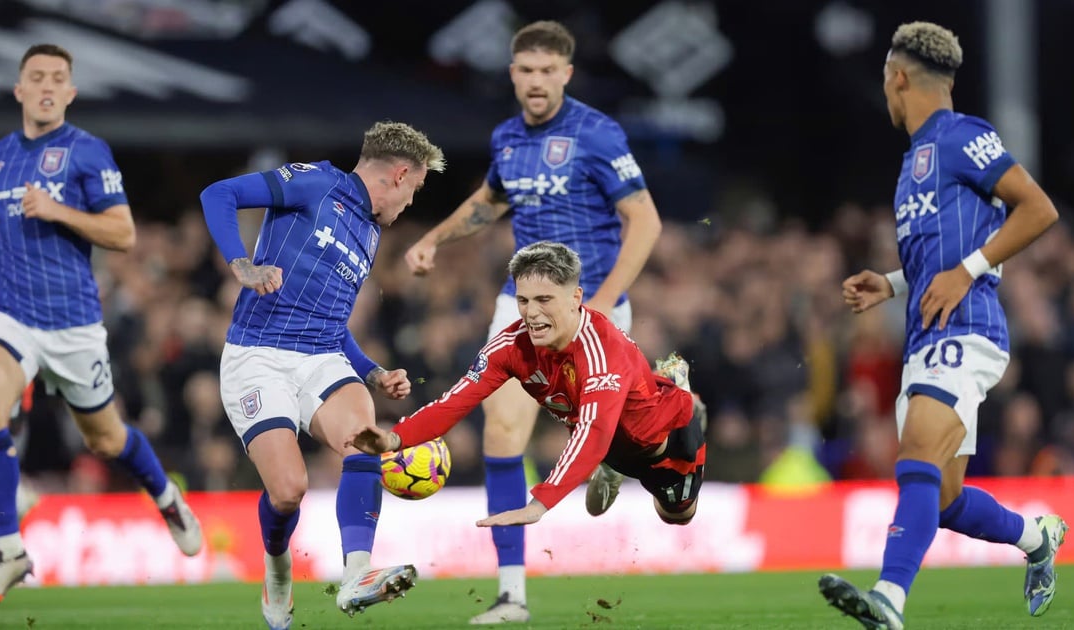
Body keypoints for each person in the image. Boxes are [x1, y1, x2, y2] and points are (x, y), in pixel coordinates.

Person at [403, 19, 663, 625]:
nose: (537, 81)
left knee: (624, 434)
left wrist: (602, 302)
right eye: (526, 70)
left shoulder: (597, 133)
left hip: (590, 300)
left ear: (567, 74)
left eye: (549, 71)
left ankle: (616, 453)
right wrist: (434, 239)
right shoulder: (506, 139)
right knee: (501, 432)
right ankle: (512, 594)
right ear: (512, 74)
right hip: (521, 304)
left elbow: (644, 221)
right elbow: (490, 202)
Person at [817, 22, 1067, 629]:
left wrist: (969, 269)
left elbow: (1039, 209)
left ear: (898, 78)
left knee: (917, 453)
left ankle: (889, 600)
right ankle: (1036, 537)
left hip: (969, 328)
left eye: (884, 81)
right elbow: (941, 258)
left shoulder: (961, 135)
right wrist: (891, 282)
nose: (884, 94)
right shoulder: (913, 164)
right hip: (928, 333)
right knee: (945, 497)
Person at [199, 121, 444, 629]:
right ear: (399, 174)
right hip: (257, 355)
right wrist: (240, 264)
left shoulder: (370, 232)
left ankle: (357, 575)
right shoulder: (316, 182)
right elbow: (217, 192)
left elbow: (331, 324)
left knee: (365, 438)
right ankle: (276, 566)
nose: (410, 204)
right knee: (289, 490)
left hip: (320, 357)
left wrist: (373, 372)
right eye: (415, 190)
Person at [0, 43, 204, 601]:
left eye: (57, 78)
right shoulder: (1, 156)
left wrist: (58, 210)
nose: (45, 85)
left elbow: (124, 234)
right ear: (18, 90)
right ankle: (9, 548)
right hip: (11, 320)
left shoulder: (87, 152)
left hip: (72, 325)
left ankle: (165, 497)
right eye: (35, 76)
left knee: (107, 439)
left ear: (69, 93)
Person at [348, 240, 705, 553]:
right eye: (523, 300)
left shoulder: (602, 350)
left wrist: (539, 504)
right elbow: (454, 401)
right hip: (601, 433)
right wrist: (396, 438)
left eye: (544, 300)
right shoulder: (510, 346)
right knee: (599, 437)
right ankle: (611, 462)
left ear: (575, 298)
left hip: (663, 438)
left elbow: (593, 433)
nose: (531, 314)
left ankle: (673, 389)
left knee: (677, 516)